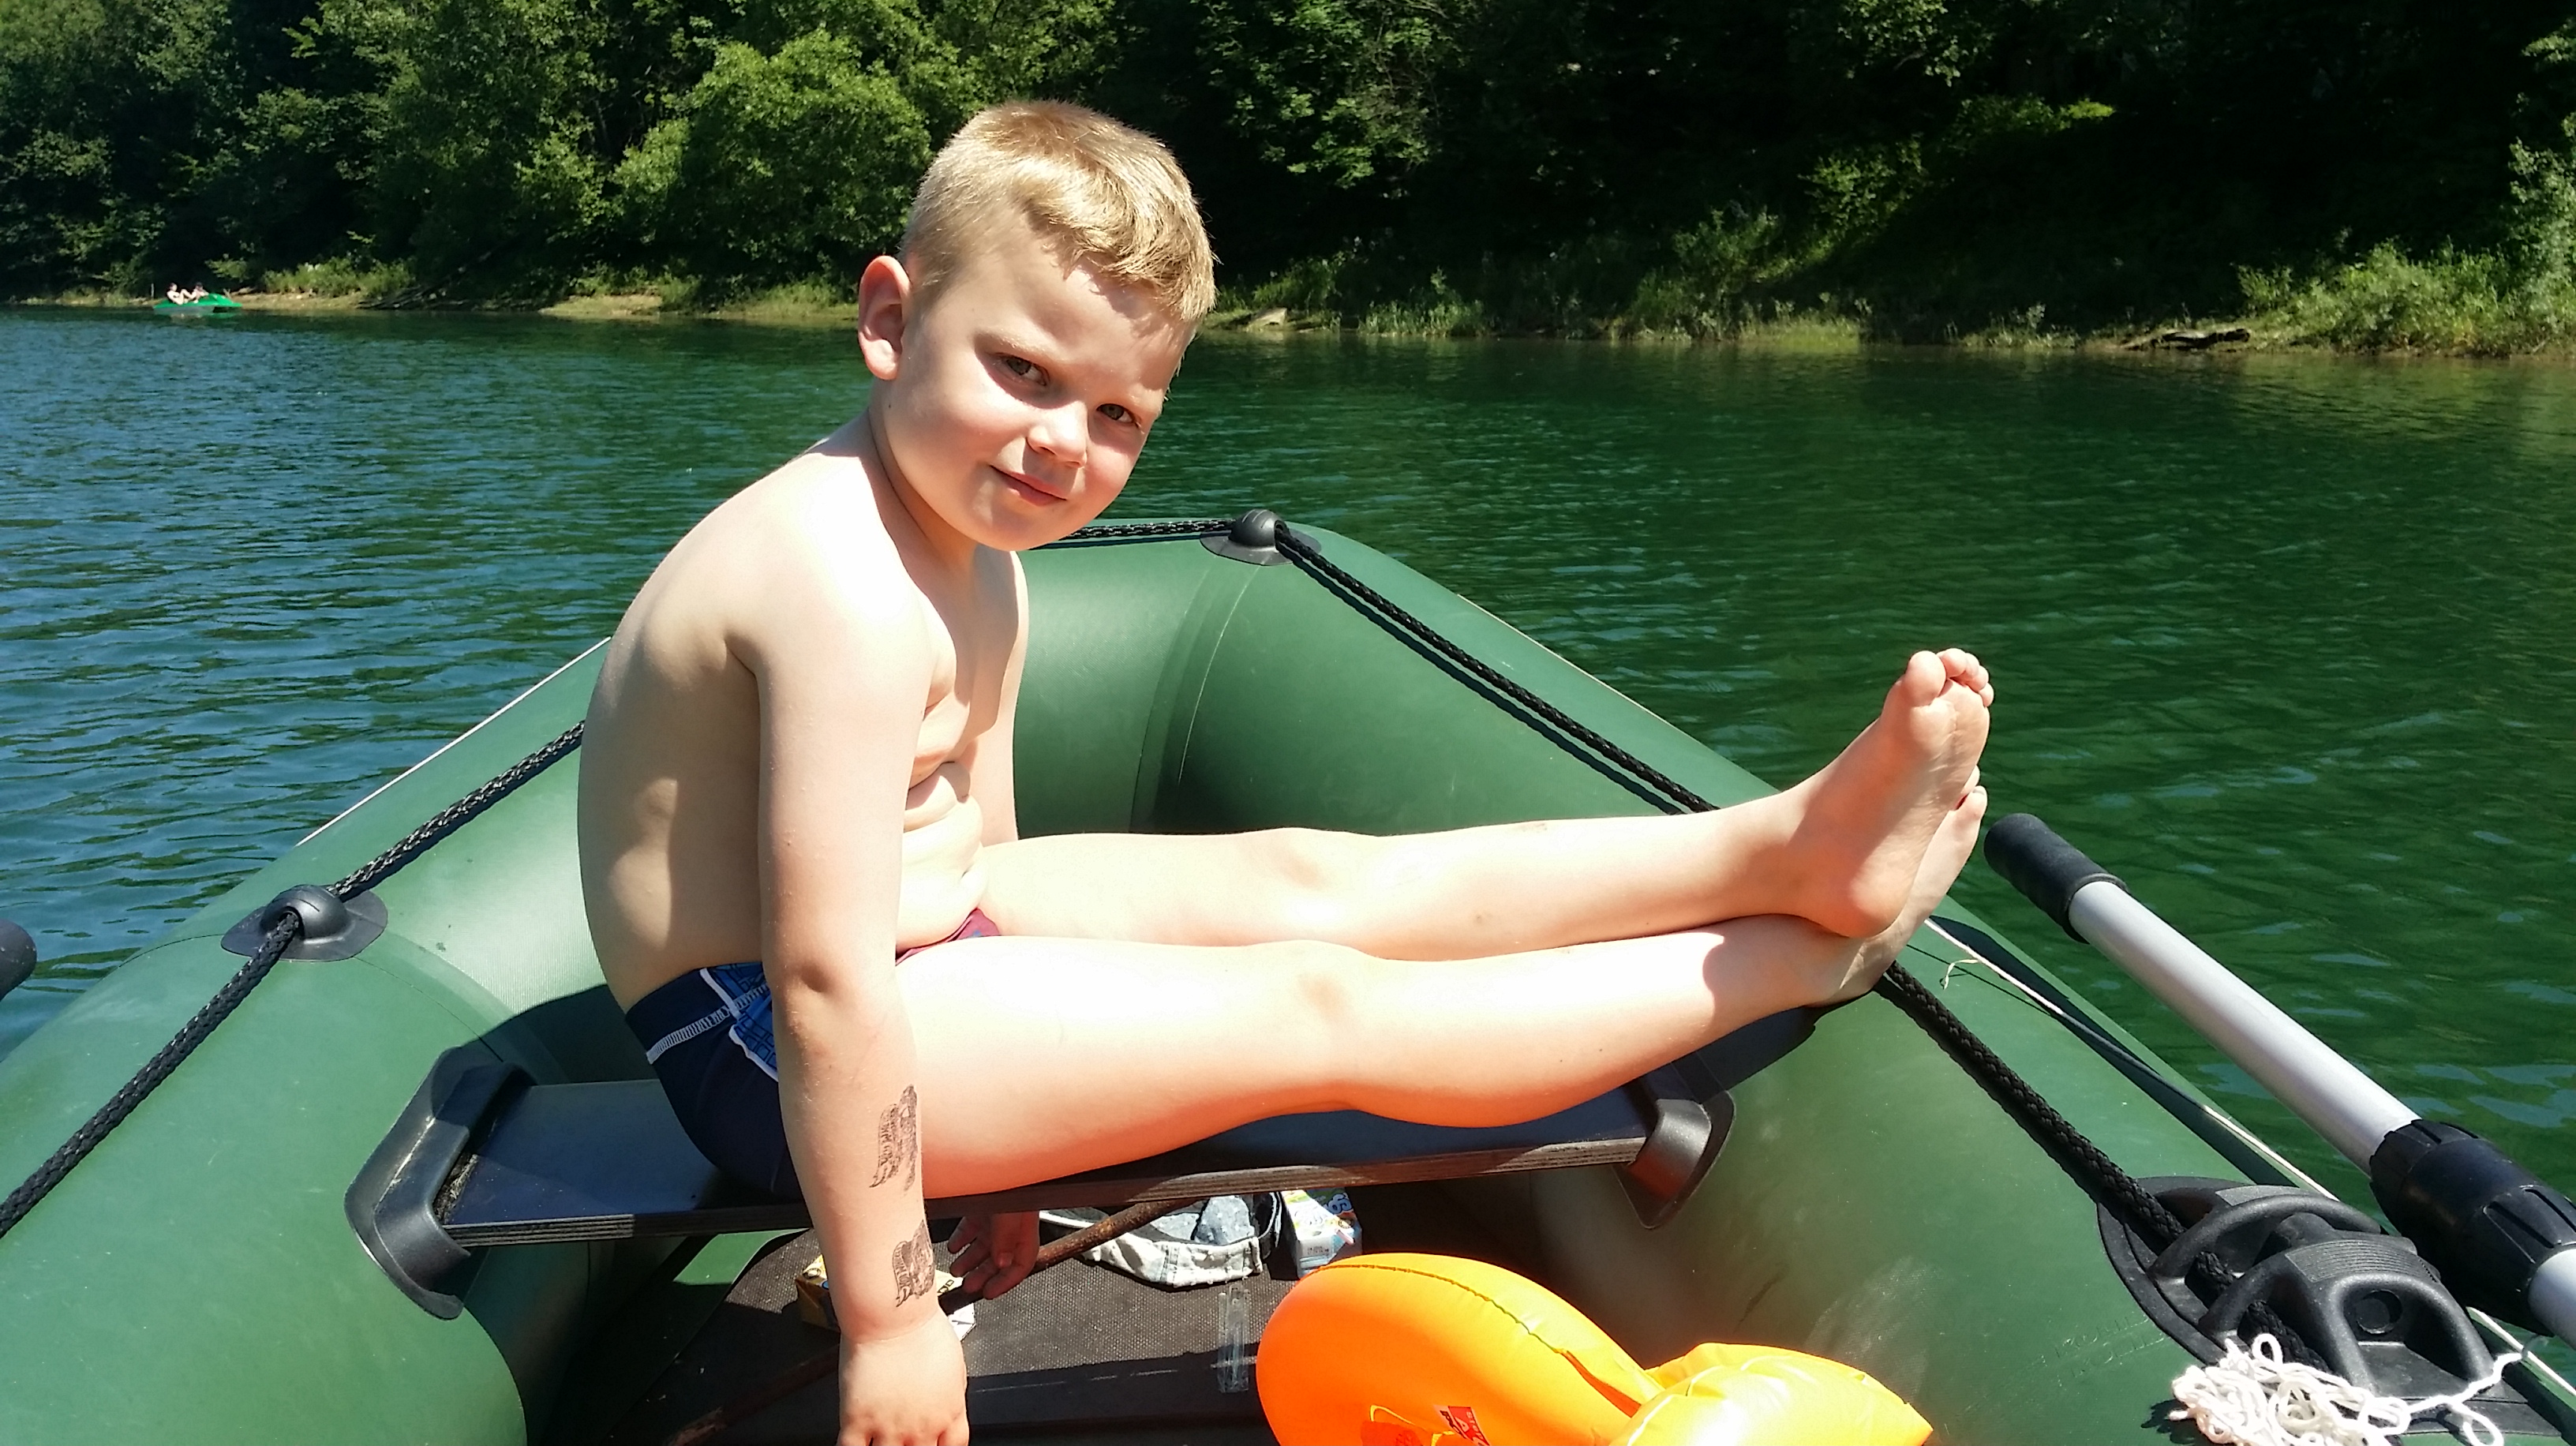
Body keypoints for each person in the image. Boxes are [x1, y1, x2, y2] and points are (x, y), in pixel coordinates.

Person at [576, 100, 1993, 1446]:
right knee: (1315, 1001)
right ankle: (1797, 959)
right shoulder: (839, 584)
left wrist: (1014, 1145)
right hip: (758, 1046)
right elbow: (828, 988)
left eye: (1119, 414)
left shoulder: (976, 549)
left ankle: (1786, 850)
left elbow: (985, 859)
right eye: (1024, 372)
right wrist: (890, 1319)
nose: (1064, 442)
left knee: (1312, 878)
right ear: (891, 320)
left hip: (923, 951)